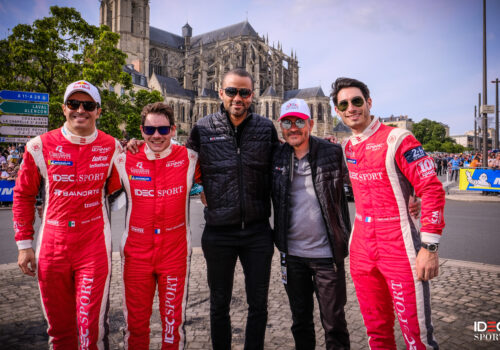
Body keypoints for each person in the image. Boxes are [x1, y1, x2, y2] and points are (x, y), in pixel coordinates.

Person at [331, 77, 445, 350]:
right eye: (343, 104)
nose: (351, 108)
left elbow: (431, 188)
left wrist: (429, 247)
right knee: (376, 332)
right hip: (361, 245)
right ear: (337, 110)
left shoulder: (398, 138)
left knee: (415, 334)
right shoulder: (347, 147)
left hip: (399, 242)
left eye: (357, 101)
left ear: (369, 103)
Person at [13, 80, 122, 349]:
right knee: (59, 331)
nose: (80, 110)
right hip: (53, 247)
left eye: (88, 105)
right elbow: (23, 195)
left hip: (93, 247)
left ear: (98, 110)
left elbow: (125, 191)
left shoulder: (113, 148)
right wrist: (25, 246)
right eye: (74, 104)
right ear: (64, 108)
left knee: (90, 330)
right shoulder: (38, 146)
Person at [186, 68, 279, 350]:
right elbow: (183, 164)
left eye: (244, 92)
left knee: (258, 305)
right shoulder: (203, 127)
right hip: (218, 232)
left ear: (252, 95)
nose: (238, 98)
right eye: (231, 91)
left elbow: (282, 167)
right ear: (220, 92)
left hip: (257, 232)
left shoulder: (265, 128)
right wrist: (200, 188)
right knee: (219, 305)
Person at [115, 102, 198, 349]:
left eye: (163, 130)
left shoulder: (190, 158)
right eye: (149, 130)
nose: (156, 136)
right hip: (136, 254)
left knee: (173, 326)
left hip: (174, 254)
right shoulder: (123, 158)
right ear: (141, 131)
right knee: (135, 326)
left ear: (173, 130)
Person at [271, 98, 351, 349]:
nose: (293, 127)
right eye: (287, 122)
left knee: (334, 322)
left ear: (311, 123)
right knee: (300, 321)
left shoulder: (333, 152)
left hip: (327, 256)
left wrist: (408, 191)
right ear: (280, 125)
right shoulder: (276, 156)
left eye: (299, 121)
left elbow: (362, 184)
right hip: (292, 257)